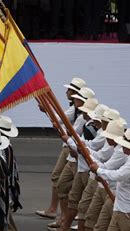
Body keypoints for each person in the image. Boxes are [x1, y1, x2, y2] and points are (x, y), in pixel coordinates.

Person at [35, 77, 87, 220]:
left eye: (69, 90)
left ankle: (71, 215)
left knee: (76, 183)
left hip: (73, 150)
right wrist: (47, 111)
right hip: (69, 148)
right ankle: (60, 212)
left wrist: (54, 119)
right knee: (61, 179)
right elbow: (60, 119)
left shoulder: (82, 115)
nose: (66, 92)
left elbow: (69, 129)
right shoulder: (74, 109)